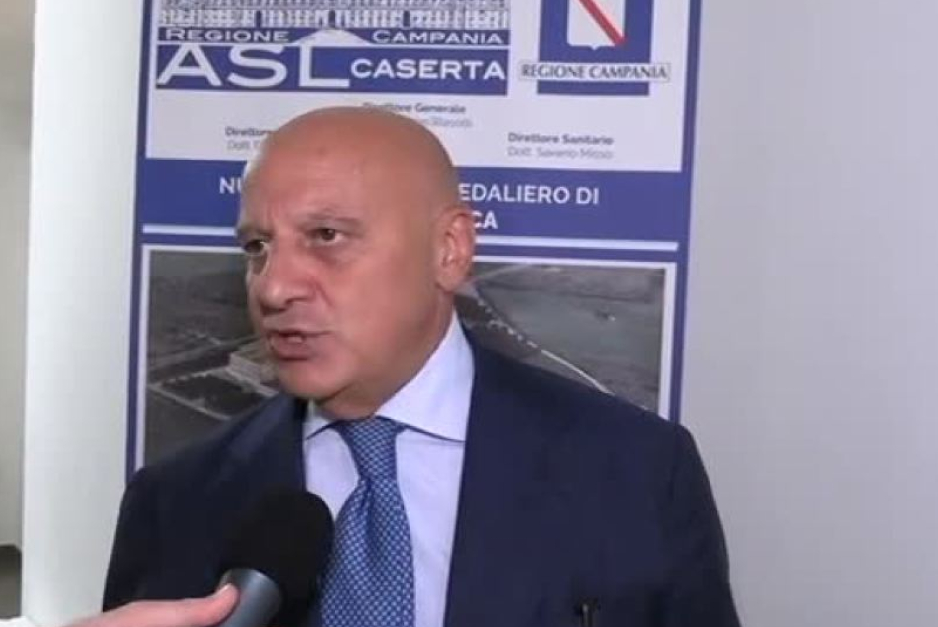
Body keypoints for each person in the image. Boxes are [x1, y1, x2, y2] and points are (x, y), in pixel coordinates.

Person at [87, 107, 740, 627]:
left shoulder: (636, 471)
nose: (275, 286)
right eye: (258, 246)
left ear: (450, 250)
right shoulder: (173, 501)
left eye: (326, 236)